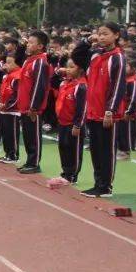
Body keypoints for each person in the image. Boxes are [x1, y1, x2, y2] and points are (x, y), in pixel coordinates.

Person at [82, 22, 127, 198]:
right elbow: (78, 56)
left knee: (106, 150)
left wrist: (110, 110)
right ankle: (97, 182)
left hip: (107, 114)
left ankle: (105, 186)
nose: (101, 37)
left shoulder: (118, 57)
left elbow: (118, 86)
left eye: (105, 34)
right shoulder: (96, 55)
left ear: (116, 35)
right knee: (95, 149)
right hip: (93, 111)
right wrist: (87, 40)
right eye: (99, 34)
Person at [49, 44, 90, 186]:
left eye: (71, 67)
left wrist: (78, 124)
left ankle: (72, 175)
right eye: (67, 66)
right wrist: (58, 72)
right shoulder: (64, 83)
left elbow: (82, 107)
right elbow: (52, 82)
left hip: (74, 124)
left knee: (74, 149)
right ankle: (65, 173)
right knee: (63, 147)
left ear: (80, 69)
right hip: (63, 122)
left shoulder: (81, 86)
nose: (68, 70)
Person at [16, 30, 52, 175]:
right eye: (28, 42)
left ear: (40, 46)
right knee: (27, 134)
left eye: (31, 43)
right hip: (24, 105)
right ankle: (30, 161)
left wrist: (34, 106)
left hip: (33, 108)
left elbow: (39, 86)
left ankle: (34, 162)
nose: (28, 45)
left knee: (34, 135)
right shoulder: (29, 60)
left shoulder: (40, 62)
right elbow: (18, 59)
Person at [0, 47, 25, 164]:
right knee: (5, 132)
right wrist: (0, 100)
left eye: (9, 63)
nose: (6, 65)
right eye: (6, 62)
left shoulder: (17, 76)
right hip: (5, 108)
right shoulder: (8, 75)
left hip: (13, 111)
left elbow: (17, 95)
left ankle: (13, 155)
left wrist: (7, 105)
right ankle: (8, 153)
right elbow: (5, 90)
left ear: (17, 64)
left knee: (12, 133)